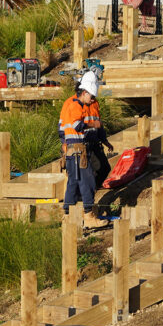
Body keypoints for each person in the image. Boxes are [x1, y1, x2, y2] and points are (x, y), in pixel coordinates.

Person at [59, 72, 105, 228]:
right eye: (90, 96)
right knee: (87, 181)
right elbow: (77, 125)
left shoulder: (76, 105)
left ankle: (67, 214)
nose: (92, 100)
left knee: (73, 182)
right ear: (84, 92)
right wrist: (93, 125)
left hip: (73, 149)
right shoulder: (76, 106)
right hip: (77, 148)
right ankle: (89, 215)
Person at [82, 72, 115, 187]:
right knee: (92, 170)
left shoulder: (95, 104)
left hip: (95, 141)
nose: (92, 99)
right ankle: (87, 193)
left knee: (105, 168)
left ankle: (92, 190)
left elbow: (99, 124)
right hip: (83, 143)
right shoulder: (76, 104)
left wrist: (105, 141)